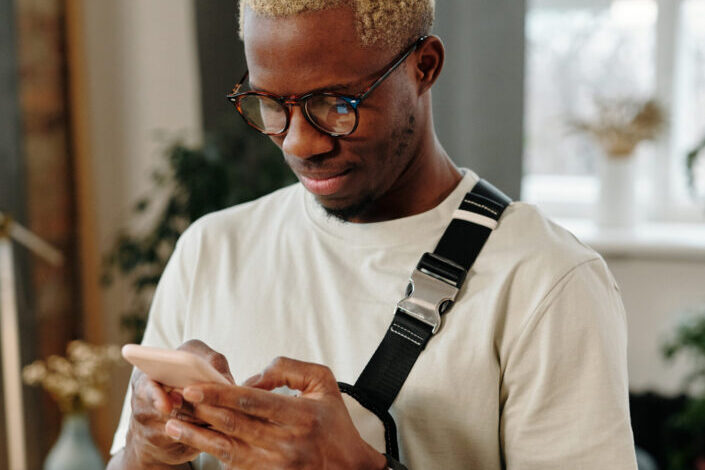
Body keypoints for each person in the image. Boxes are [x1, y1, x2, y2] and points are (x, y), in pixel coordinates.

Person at [107, 1, 638, 469]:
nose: (299, 144)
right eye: (271, 104)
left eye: (337, 104)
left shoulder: (547, 282)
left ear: (424, 67)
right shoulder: (210, 250)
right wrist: (148, 452)